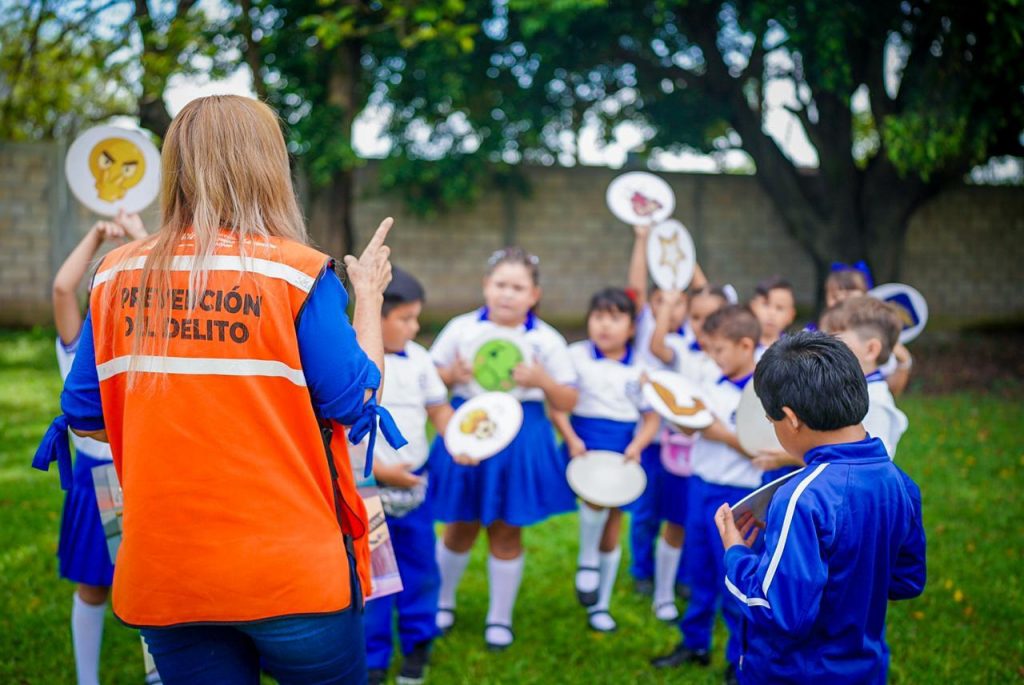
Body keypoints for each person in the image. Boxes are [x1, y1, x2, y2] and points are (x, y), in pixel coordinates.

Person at [36, 95, 403, 685]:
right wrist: (369, 297)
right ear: (269, 167)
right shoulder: (298, 272)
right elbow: (357, 406)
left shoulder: (113, 273)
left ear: (174, 166)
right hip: (294, 575)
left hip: (165, 575)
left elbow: (85, 417)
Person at [714, 332, 926, 684]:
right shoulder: (900, 483)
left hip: (794, 673)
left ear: (790, 418)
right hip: (864, 669)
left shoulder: (800, 497)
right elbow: (907, 580)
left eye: (772, 422)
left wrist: (736, 553)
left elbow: (780, 613)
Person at [429, 247, 579, 650]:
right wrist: (449, 373)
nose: (507, 294)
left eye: (518, 287)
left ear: (534, 295)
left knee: (507, 528)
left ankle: (499, 617)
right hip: (468, 431)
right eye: (500, 285)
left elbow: (567, 400)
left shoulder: (545, 339)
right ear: (485, 286)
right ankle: (441, 603)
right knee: (460, 523)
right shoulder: (461, 328)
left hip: (521, 437)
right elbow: (427, 380)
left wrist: (543, 381)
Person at [33, 211, 147, 685]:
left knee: (158, 587)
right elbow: (62, 289)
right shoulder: (80, 343)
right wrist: (99, 233)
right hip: (98, 478)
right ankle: (87, 679)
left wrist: (141, 236)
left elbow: (168, 270)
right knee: (94, 587)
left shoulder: (151, 338)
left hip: (147, 479)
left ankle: (161, 672)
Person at [651, 305, 766, 684]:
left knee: (732, 578)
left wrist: (721, 434)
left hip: (738, 497)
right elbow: (695, 427)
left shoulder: (763, 393)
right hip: (700, 486)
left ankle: (740, 660)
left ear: (746, 345)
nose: (712, 358)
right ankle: (695, 643)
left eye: (718, 350)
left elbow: (763, 452)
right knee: (699, 571)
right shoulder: (712, 382)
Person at [353, 267, 454, 685]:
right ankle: (373, 658)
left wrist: (463, 439)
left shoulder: (420, 359)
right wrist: (382, 472)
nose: (415, 327)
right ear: (378, 317)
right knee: (374, 577)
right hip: (368, 491)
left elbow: (439, 410)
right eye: (407, 318)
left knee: (419, 569)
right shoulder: (355, 360)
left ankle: (417, 644)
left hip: (415, 490)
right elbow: (341, 433)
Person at [551, 287, 660, 632]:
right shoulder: (575, 355)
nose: (605, 325)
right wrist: (570, 438)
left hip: (621, 450)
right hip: (582, 444)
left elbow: (652, 417)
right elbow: (557, 404)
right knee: (593, 502)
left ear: (631, 327)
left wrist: (638, 446)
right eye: (599, 316)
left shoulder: (639, 369)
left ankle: (600, 603)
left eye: (615, 318)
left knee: (613, 523)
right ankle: (586, 562)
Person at [819, 297, 909, 459]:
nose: (822, 347)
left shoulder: (875, 404)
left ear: (871, 350)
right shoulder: (845, 389)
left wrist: (790, 458)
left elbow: (866, 464)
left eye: (834, 339)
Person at [748, 276, 796, 352]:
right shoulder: (742, 346)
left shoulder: (793, 351)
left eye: (779, 308)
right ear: (752, 307)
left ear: (791, 315)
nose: (771, 313)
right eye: (766, 304)